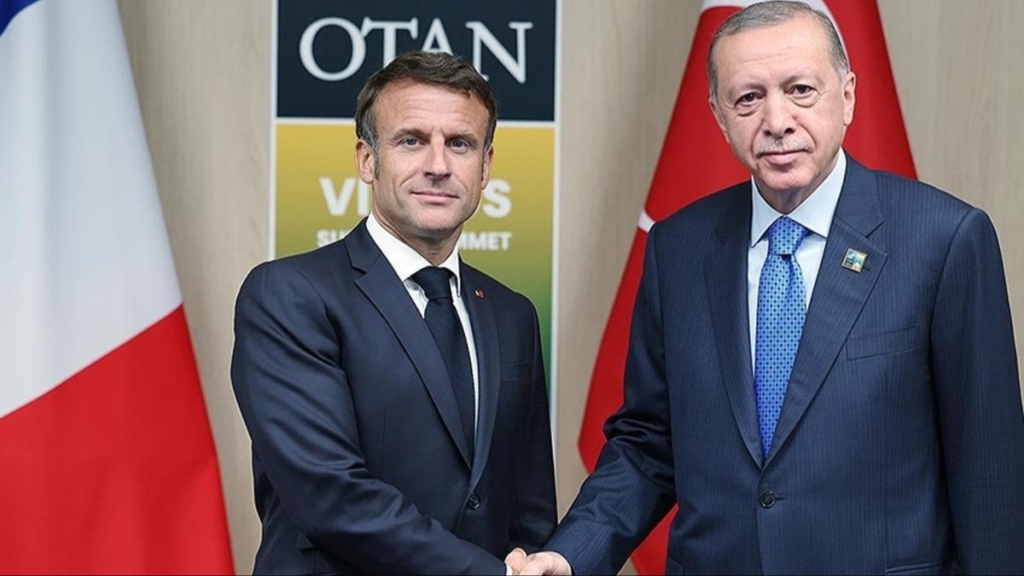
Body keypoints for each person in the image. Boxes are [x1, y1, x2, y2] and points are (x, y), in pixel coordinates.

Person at [509, 2, 1024, 575]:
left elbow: (990, 470)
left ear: (848, 96)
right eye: (748, 98)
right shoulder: (677, 248)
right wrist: (569, 553)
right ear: (718, 114)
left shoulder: (944, 240)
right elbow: (649, 442)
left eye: (801, 90)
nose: (776, 121)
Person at [231, 50, 556, 575]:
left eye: (460, 143)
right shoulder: (288, 295)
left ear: (486, 166)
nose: (438, 165)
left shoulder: (512, 314)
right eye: (411, 140)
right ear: (367, 159)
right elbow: (331, 496)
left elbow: (529, 506)